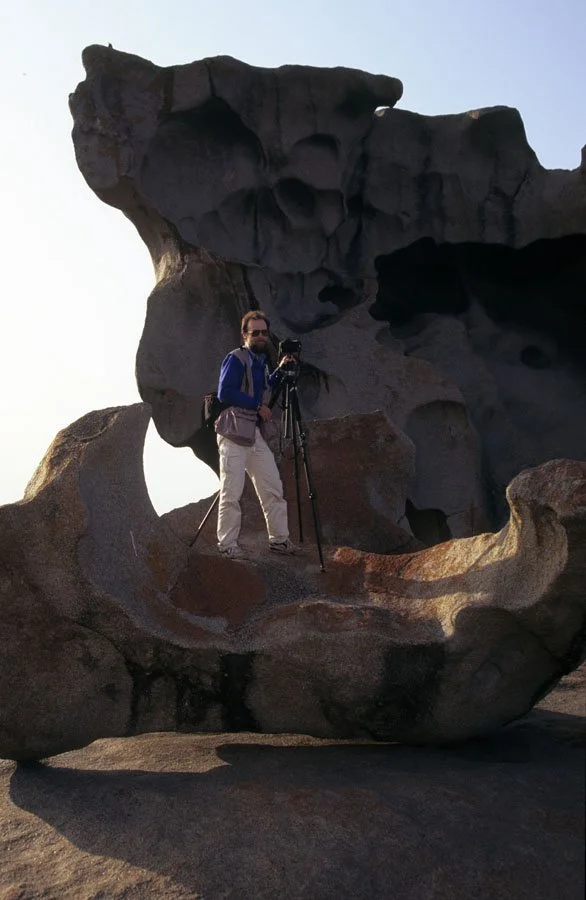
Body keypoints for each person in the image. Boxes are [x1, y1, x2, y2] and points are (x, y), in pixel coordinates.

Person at [214, 310, 300, 559]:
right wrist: (256, 406)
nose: (261, 337)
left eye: (264, 332)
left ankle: (279, 540)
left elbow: (265, 388)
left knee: (272, 486)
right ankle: (227, 545)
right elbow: (225, 392)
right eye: (256, 333)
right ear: (245, 334)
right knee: (231, 492)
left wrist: (280, 371)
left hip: (252, 433)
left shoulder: (261, 362)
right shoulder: (236, 358)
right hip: (232, 434)